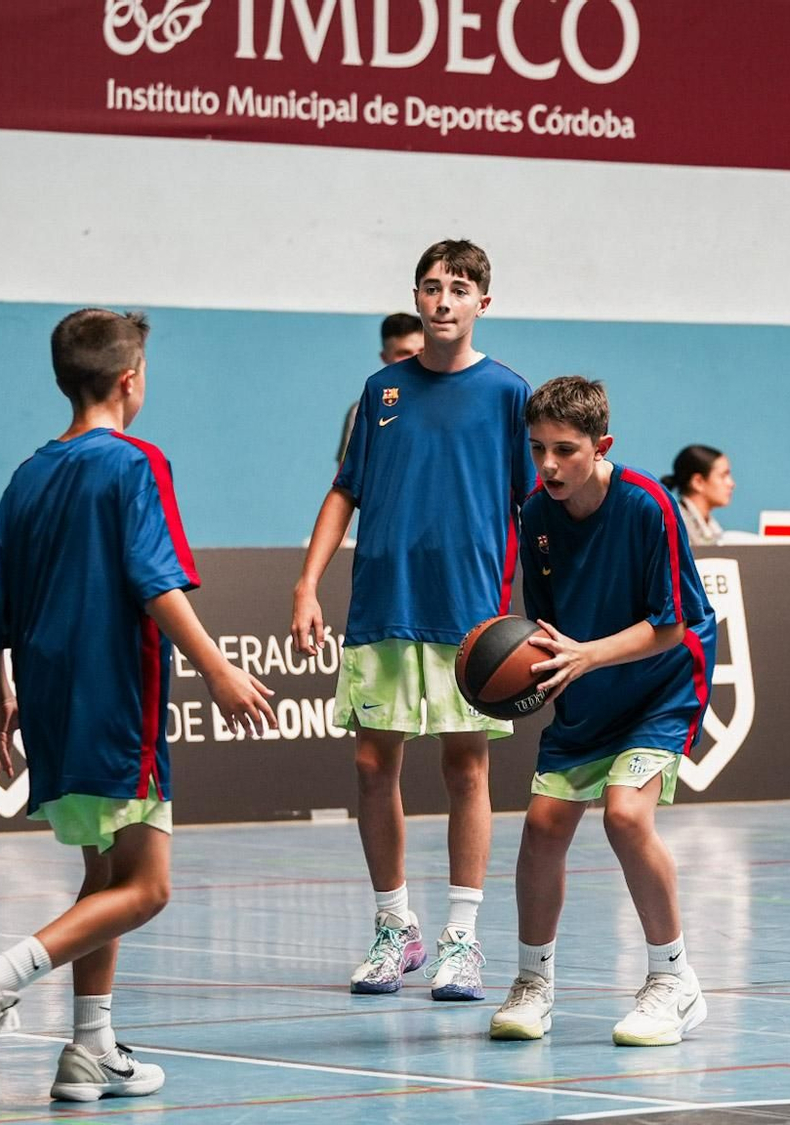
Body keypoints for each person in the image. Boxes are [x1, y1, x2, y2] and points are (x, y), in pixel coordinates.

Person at [0, 308, 277, 1104]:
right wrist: (219, 668)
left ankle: (89, 1049)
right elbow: (155, 582)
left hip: (50, 706)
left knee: (103, 874)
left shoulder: (28, 473)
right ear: (130, 380)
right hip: (118, 702)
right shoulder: (134, 464)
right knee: (148, 885)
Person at [291, 241, 532, 1000]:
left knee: (466, 769)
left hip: (469, 616)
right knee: (372, 766)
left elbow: (535, 504)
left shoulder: (507, 393)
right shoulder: (381, 391)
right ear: (417, 297)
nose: (442, 300)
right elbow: (344, 492)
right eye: (431, 287)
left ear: (482, 303)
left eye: (459, 288)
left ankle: (462, 937)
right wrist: (307, 583)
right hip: (382, 604)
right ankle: (395, 927)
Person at [489, 376, 715, 1047]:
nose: (549, 464)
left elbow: (671, 625)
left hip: (661, 686)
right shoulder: (536, 514)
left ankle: (673, 980)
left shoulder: (650, 505)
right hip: (590, 687)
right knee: (543, 825)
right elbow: (548, 625)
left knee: (624, 813)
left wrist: (586, 655)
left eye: (565, 449)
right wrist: (542, 670)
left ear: (601, 445)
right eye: (538, 450)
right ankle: (533, 982)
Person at [338, 313, 426, 464]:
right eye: (404, 353)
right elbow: (348, 480)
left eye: (422, 351)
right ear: (385, 357)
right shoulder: (365, 410)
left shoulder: (455, 403)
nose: (415, 359)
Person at [661, 444, 733, 547]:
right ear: (698, 482)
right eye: (723, 476)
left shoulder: (712, 526)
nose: (731, 483)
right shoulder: (674, 524)